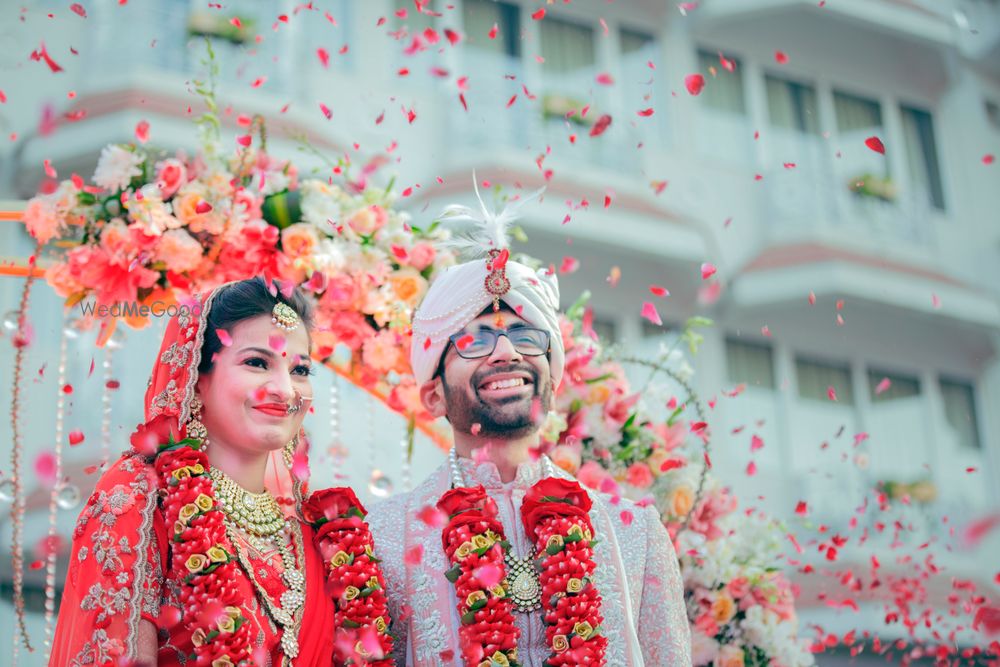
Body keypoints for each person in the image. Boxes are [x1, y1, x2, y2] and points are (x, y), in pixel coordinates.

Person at [367, 192, 692, 666]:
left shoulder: (635, 535)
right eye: (476, 339)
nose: (507, 352)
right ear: (433, 394)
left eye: (525, 336)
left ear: (554, 382)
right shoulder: (385, 536)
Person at [50, 277, 394, 666]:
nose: (285, 389)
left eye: (300, 370)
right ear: (196, 382)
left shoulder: (316, 535)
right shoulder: (143, 499)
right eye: (257, 363)